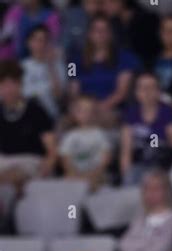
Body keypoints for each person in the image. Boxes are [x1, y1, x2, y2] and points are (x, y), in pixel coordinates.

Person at [69, 13, 140, 126]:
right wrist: (82, 109)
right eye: (96, 30)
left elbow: (121, 92)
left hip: (111, 109)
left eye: (104, 30)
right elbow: (73, 91)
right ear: (89, 34)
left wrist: (97, 109)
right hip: (82, 110)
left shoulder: (125, 58)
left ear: (110, 34)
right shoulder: (74, 61)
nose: (100, 34)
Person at [0, 59, 57, 193]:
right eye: (3, 84)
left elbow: (52, 149)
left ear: (20, 84)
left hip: (30, 161)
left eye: (12, 84)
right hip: (3, 160)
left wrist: (48, 166)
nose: (8, 89)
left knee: (13, 175)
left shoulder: (36, 110)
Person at [119, 71, 172, 184]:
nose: (147, 92)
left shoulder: (168, 112)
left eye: (151, 87)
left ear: (158, 91)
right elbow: (126, 152)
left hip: (163, 166)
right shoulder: (131, 114)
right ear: (136, 92)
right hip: (139, 167)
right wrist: (126, 176)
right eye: (142, 88)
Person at [59, 95, 112, 191]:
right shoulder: (69, 136)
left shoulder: (100, 134)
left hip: (96, 173)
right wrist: (74, 174)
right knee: (66, 181)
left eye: (88, 111)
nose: (85, 114)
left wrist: (93, 174)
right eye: (81, 110)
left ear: (94, 114)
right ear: (75, 113)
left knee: (97, 181)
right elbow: (66, 161)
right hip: (75, 174)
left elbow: (105, 160)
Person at [21, 24, 66, 119]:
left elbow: (59, 96)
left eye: (45, 40)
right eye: (37, 40)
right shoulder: (21, 66)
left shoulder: (60, 65)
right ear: (29, 43)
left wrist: (51, 65)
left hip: (51, 116)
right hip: (26, 116)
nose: (41, 44)